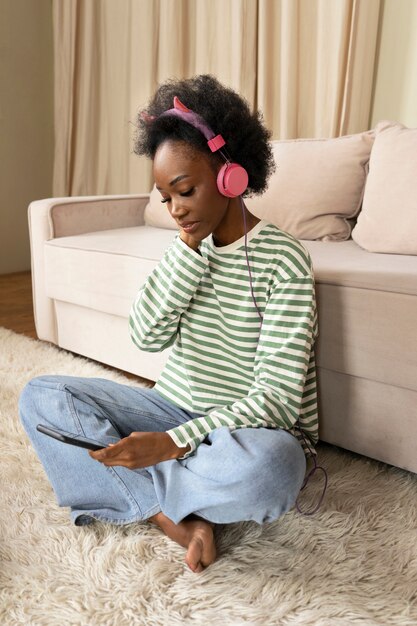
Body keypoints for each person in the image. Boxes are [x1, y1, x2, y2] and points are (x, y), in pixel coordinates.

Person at [19, 74, 319, 573]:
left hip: (247, 431)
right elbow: (146, 335)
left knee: (275, 469)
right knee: (41, 398)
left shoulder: (283, 260)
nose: (176, 210)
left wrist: (173, 445)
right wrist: (187, 253)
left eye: (185, 191)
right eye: (166, 198)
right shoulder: (183, 250)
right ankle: (170, 514)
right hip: (170, 406)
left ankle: (138, 494)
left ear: (231, 175)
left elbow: (278, 401)